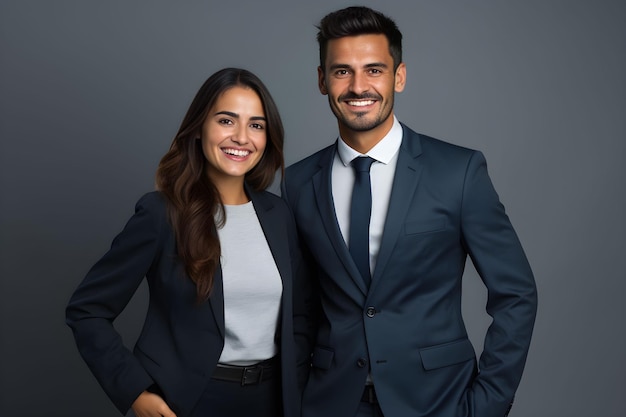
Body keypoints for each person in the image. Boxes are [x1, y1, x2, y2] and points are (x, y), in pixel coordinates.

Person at [282, 6, 538, 417]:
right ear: (322, 80)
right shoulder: (297, 182)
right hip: (330, 404)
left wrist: (487, 405)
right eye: (342, 71)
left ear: (399, 76)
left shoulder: (459, 172)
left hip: (438, 402)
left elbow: (517, 294)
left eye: (374, 70)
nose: (358, 86)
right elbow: (301, 310)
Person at [66, 68, 310, 417]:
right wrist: (136, 393)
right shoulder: (161, 214)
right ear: (198, 128)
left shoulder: (279, 214)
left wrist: (296, 387)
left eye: (256, 125)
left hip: (273, 401)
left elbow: (300, 316)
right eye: (227, 121)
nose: (242, 137)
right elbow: (86, 310)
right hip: (191, 400)